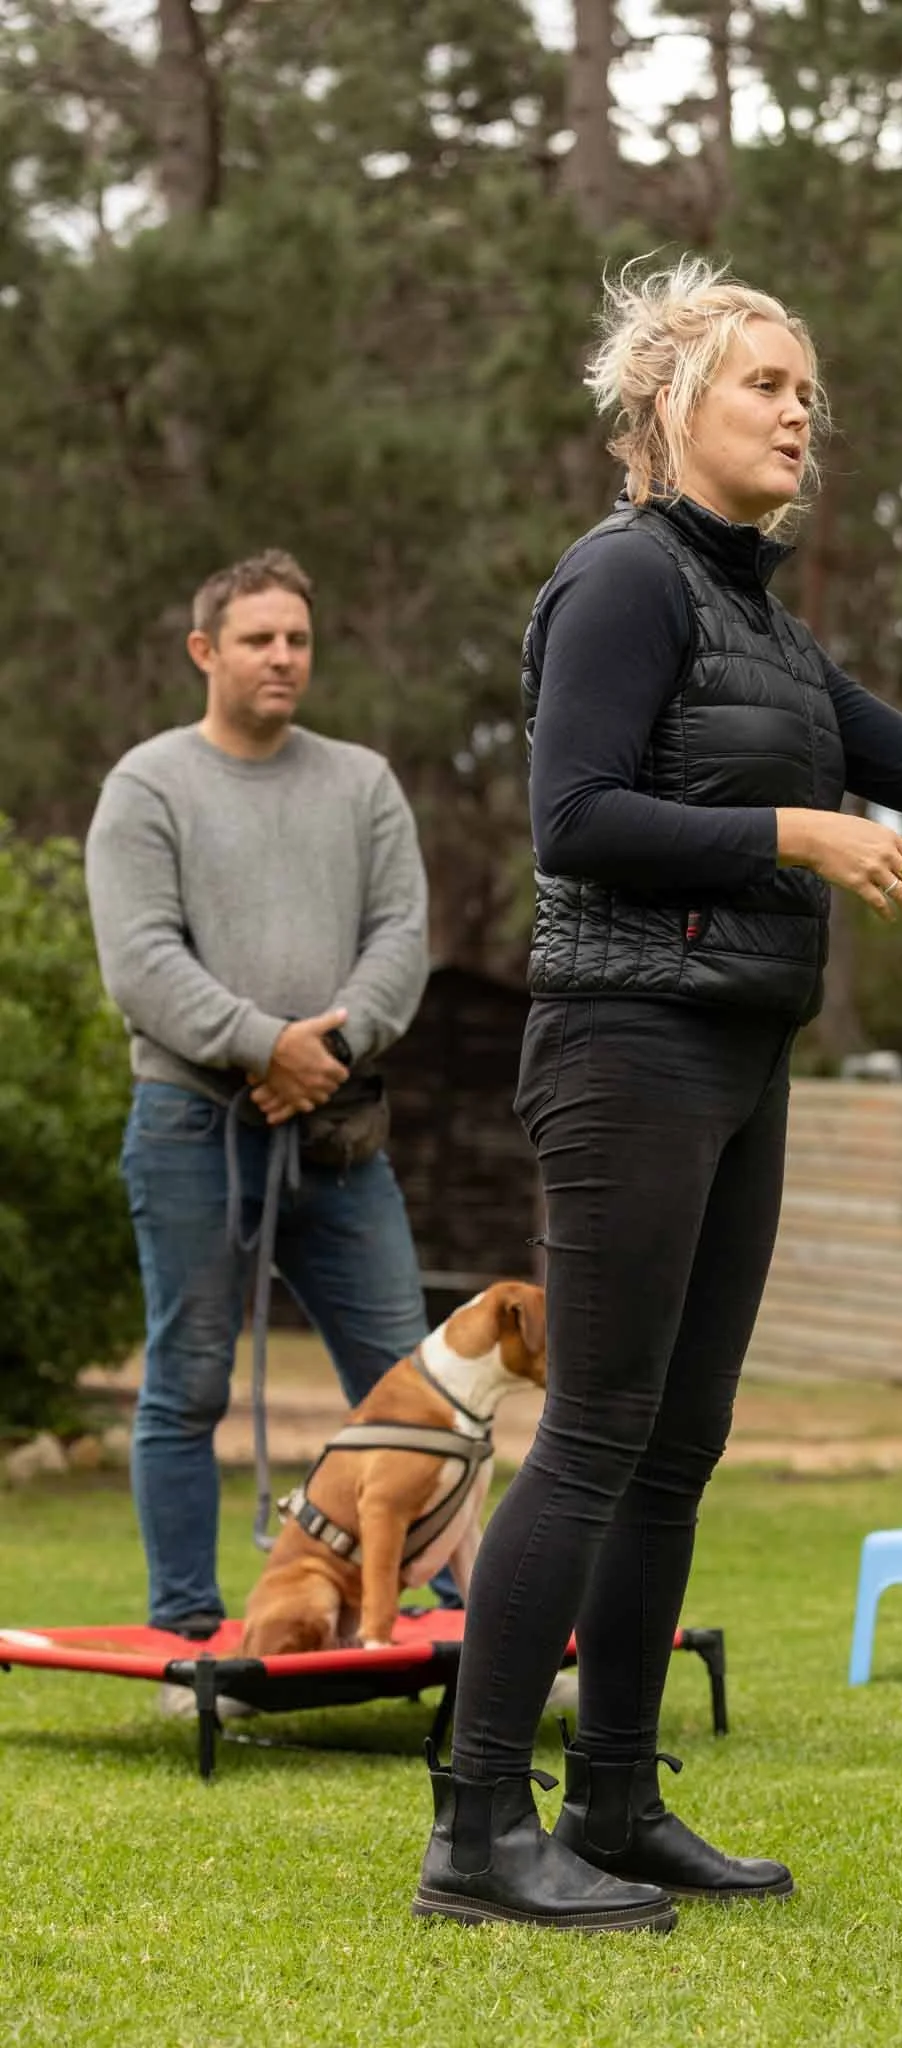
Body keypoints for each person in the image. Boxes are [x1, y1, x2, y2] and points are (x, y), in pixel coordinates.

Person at [411, 258, 902, 1935]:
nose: (802, 410)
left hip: (735, 1050)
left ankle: (619, 1801)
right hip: (623, 1045)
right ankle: (476, 1831)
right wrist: (798, 833)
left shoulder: (767, 634)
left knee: (675, 1450)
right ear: (668, 406)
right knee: (593, 1434)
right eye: (764, 383)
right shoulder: (622, 583)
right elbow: (574, 815)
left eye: (809, 389)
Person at [85, 549, 455, 1651]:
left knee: (415, 1389)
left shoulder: (362, 782)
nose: (283, 655)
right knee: (186, 1381)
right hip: (192, 1126)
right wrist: (261, 1044)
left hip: (338, 1133)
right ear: (206, 650)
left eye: (297, 636)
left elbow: (402, 937)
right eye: (258, 638)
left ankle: (466, 1615)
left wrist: (324, 1047)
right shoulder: (149, 786)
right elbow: (141, 959)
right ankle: (189, 1633)